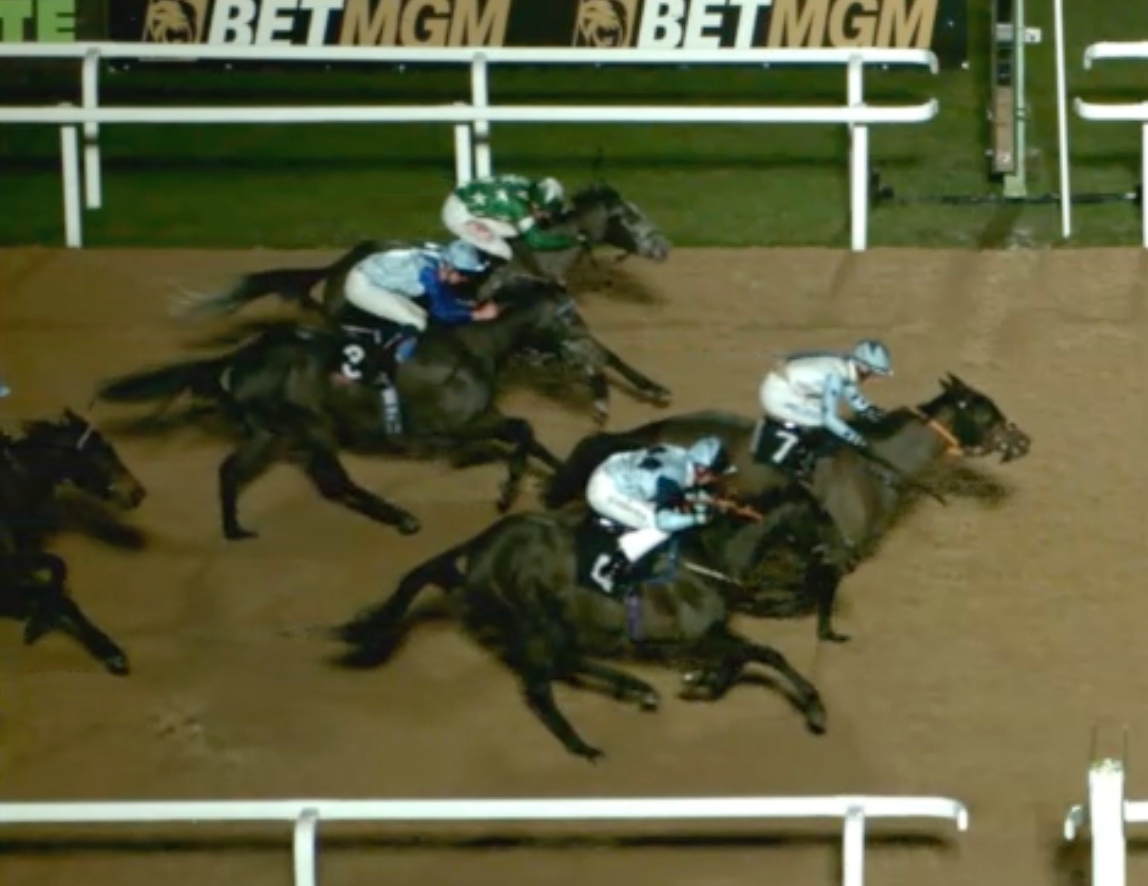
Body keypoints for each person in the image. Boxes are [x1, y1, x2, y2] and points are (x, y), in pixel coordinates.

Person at [585, 436, 736, 592]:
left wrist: (711, 502)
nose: (714, 480)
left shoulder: (681, 454)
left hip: (611, 468)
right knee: (660, 529)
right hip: (606, 491)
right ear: (702, 470)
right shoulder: (673, 478)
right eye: (714, 475)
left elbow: (682, 490)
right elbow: (663, 521)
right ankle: (610, 570)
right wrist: (698, 518)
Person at [756, 338, 893, 478]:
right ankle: (789, 460)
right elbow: (830, 419)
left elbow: (849, 389)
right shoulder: (835, 376)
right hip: (779, 395)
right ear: (863, 367)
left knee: (828, 419)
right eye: (872, 374)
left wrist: (867, 408)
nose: (872, 379)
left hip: (792, 389)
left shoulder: (844, 367)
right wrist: (857, 440)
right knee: (822, 423)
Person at [342, 239, 496, 333]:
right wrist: (478, 315)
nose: (465, 280)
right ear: (450, 267)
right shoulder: (429, 274)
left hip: (372, 271)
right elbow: (442, 312)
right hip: (363, 286)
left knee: (420, 314)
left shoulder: (441, 260)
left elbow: (444, 298)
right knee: (418, 322)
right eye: (464, 274)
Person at [441, 173, 582, 275]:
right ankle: (491, 275)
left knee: (515, 230)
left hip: (466, 198)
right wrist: (573, 241)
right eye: (544, 212)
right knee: (505, 251)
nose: (545, 216)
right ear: (536, 205)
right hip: (458, 215)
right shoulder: (518, 207)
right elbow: (537, 242)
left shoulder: (528, 186)